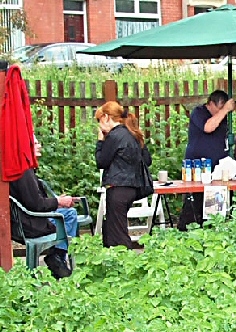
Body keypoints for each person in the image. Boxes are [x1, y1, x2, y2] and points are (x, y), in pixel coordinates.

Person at [9, 138, 78, 279]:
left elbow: (33, 201)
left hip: (25, 221)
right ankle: (57, 257)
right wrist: (59, 201)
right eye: (34, 143)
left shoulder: (20, 167)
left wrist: (58, 202)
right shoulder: (24, 171)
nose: (39, 145)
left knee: (68, 212)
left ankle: (57, 256)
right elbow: (36, 204)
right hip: (32, 224)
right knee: (69, 214)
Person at [95, 101, 151, 249]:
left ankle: (126, 264)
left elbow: (101, 161)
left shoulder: (115, 136)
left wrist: (100, 141)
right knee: (112, 229)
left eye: (99, 120)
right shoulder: (132, 133)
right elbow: (147, 160)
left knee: (118, 235)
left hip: (117, 187)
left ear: (106, 117)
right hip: (132, 188)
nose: (99, 125)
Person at [177, 90, 235, 230]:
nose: (221, 112)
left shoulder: (222, 117)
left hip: (217, 167)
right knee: (197, 201)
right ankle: (191, 227)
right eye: (219, 108)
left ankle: (214, 227)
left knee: (216, 202)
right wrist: (225, 110)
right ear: (210, 104)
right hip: (198, 167)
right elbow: (208, 127)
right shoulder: (199, 112)